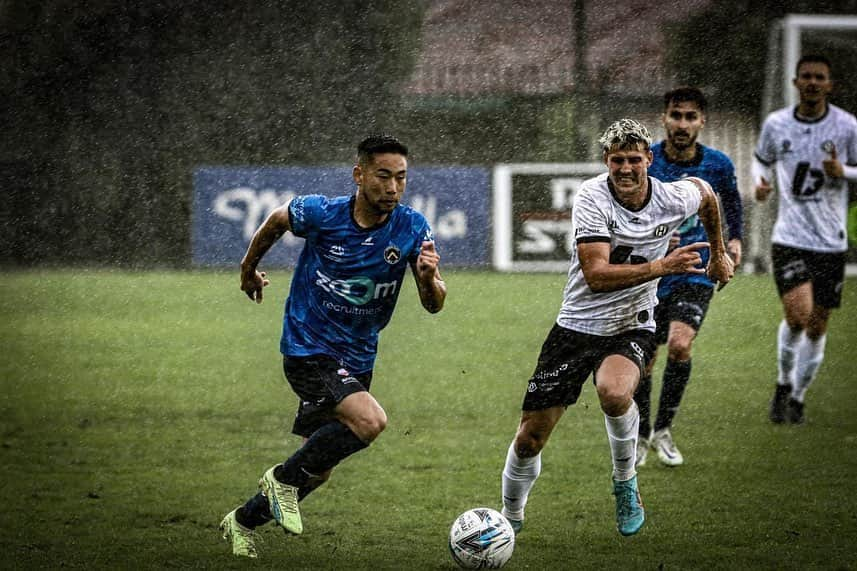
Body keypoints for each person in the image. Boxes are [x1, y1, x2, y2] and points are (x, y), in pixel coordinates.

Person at [499, 118, 734, 537]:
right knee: (530, 438)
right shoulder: (592, 196)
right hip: (575, 326)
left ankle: (625, 482)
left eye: (633, 160)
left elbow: (707, 195)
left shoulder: (671, 196)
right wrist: (663, 265)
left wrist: (719, 253)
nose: (625, 169)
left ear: (649, 160)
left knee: (613, 391)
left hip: (632, 323)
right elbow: (596, 275)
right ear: (606, 162)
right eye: (616, 161)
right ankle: (510, 518)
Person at [219, 135, 447, 558]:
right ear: (359, 175)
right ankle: (281, 480)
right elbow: (276, 220)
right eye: (383, 176)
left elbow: (433, 305)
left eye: (401, 178)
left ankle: (241, 522)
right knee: (370, 422)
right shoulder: (323, 214)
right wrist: (248, 269)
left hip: (358, 357)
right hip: (309, 348)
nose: (393, 187)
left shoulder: (413, 227)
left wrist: (429, 278)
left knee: (317, 469)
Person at [634, 87, 744, 468]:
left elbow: (731, 202)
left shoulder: (717, 164)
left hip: (697, 269)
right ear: (664, 118)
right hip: (652, 272)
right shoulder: (646, 161)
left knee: (680, 345)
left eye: (690, 116)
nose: (682, 124)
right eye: (676, 115)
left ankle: (663, 429)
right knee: (645, 360)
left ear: (702, 121)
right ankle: (642, 434)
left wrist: (733, 240)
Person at [753, 54, 857, 425]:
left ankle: (798, 395)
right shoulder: (777, 124)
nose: (812, 82)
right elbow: (761, 160)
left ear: (830, 85)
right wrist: (760, 182)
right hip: (790, 236)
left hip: (831, 240)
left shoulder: (847, 126)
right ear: (796, 82)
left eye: (820, 77)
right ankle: (783, 383)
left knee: (818, 324)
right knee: (797, 316)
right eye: (806, 77)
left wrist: (842, 170)